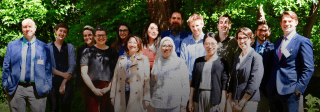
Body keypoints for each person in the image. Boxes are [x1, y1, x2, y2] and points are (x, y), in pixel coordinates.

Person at [267, 11, 314, 112]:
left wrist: (298, 89)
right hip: (274, 91)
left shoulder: (303, 41)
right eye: (284, 21)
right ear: (281, 24)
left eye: (290, 21)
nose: (287, 23)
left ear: (296, 22)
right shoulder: (278, 41)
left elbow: (309, 68)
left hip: (291, 91)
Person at [1, 18, 52, 112]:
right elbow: (6, 66)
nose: (27, 29)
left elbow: (48, 69)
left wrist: (47, 86)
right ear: (22, 29)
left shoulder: (44, 47)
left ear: (35, 28)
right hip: (16, 89)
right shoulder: (12, 45)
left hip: (37, 89)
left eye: (30, 26)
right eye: (25, 27)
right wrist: (6, 83)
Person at [80, 25, 118, 112]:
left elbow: (116, 73)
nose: (101, 38)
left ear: (106, 37)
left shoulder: (113, 52)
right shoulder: (87, 51)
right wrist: (94, 89)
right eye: (98, 35)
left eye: (103, 35)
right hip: (91, 88)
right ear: (94, 37)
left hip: (108, 88)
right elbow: (83, 73)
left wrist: (108, 88)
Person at [188, 32, 228, 112]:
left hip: (214, 98)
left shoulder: (222, 62)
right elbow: (193, 83)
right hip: (198, 97)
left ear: (218, 44)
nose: (210, 46)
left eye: (213, 43)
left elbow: (224, 85)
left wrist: (223, 102)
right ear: (203, 44)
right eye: (207, 43)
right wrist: (191, 100)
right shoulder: (198, 61)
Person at [110, 34, 151, 112]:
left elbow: (147, 80)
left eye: (135, 43)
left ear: (139, 45)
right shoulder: (121, 58)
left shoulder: (143, 59)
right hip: (121, 93)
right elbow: (115, 77)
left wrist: (147, 97)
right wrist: (112, 96)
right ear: (127, 44)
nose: (132, 45)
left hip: (137, 95)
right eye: (130, 42)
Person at [226, 27, 264, 112]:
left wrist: (242, 102)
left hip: (249, 101)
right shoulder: (236, 58)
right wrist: (230, 100)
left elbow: (254, 83)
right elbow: (232, 80)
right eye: (239, 38)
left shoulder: (256, 58)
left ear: (251, 39)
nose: (242, 41)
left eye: (245, 38)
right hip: (234, 101)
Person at [150, 37, 190, 112]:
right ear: (160, 47)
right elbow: (152, 83)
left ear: (173, 47)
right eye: (164, 45)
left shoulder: (180, 63)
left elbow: (185, 85)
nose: (167, 48)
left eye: (169, 46)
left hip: (174, 105)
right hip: (158, 104)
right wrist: (151, 102)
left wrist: (184, 105)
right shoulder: (157, 62)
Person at [47, 23, 76, 112]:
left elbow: (72, 65)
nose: (62, 33)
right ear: (55, 31)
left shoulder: (70, 47)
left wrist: (63, 83)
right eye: (60, 31)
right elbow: (47, 66)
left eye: (65, 32)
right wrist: (62, 74)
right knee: (54, 108)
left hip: (67, 82)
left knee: (66, 108)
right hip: (51, 82)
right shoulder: (47, 47)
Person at [252, 21, 274, 112]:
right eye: (260, 30)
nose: (262, 33)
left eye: (265, 30)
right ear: (256, 32)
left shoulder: (274, 48)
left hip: (266, 91)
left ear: (269, 32)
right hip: (249, 88)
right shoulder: (249, 47)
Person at [75, 25, 95, 99]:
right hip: (84, 84)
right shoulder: (81, 50)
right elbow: (78, 68)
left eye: (89, 35)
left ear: (94, 35)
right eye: (85, 36)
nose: (87, 37)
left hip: (98, 83)